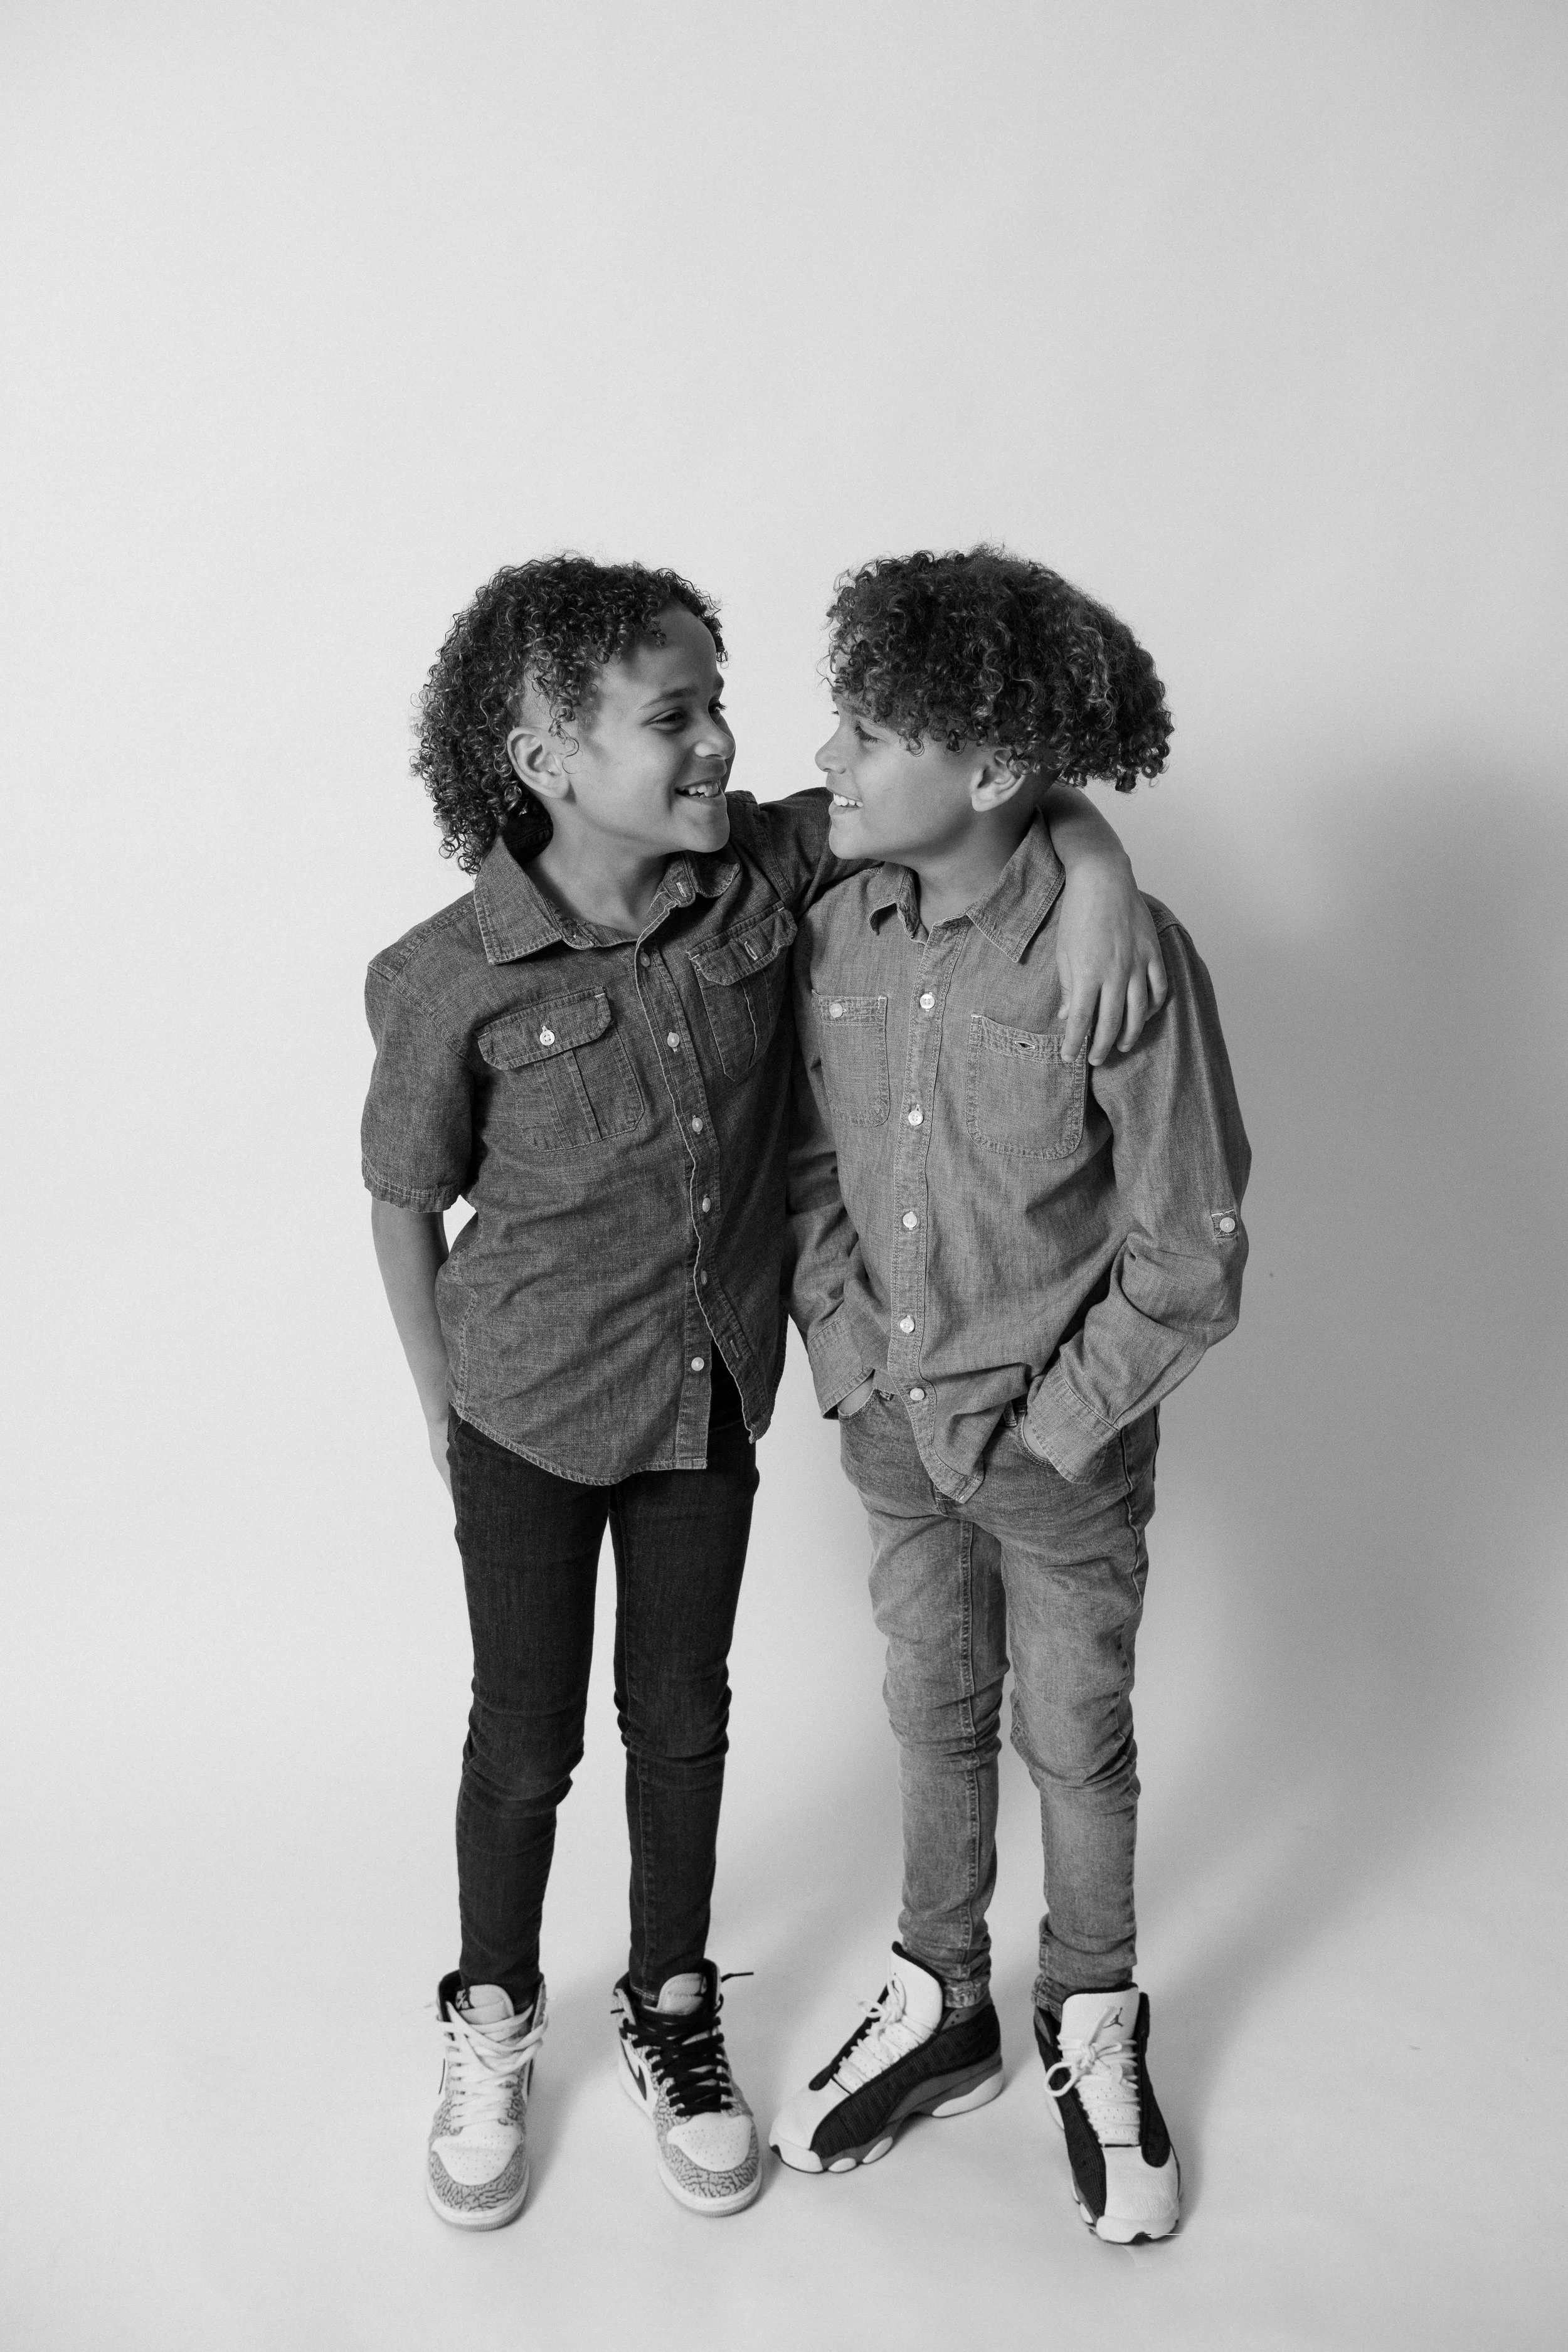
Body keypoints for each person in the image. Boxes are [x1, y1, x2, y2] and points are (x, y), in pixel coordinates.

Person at [362, 554, 1163, 2229]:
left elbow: (985, 790)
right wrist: (439, 1407)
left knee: (683, 1718)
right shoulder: (445, 973)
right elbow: (398, 1194)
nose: (727, 742)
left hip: (703, 1403)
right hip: (519, 1412)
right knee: (524, 1737)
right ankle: (491, 2012)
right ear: (546, 762)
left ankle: (671, 2007)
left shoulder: (760, 871)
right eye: (678, 717)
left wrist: (1096, 868)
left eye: (721, 704)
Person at [774, 546, 1250, 2243]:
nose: (824, 753)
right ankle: (939, 1995)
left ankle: (1092, 2012)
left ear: (982, 773)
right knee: (927, 1707)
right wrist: (848, 1367)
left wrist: (1055, 1428)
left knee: (1075, 1737)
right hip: (897, 1427)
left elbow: (1186, 1244)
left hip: (1059, 1451)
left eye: (867, 728)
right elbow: (810, 1165)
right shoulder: (834, 911)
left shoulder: (1119, 956)